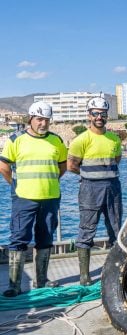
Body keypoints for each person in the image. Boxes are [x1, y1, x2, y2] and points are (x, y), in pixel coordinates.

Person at [0, 102, 66, 296]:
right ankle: (14, 284)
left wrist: (48, 181)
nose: (43, 123)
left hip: (50, 197)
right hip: (23, 198)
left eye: (46, 119)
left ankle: (42, 281)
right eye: (39, 119)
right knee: (19, 238)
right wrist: (16, 185)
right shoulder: (15, 139)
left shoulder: (57, 141)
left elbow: (62, 167)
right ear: (31, 119)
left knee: (45, 238)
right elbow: (4, 167)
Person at [67, 96, 122, 286]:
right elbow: (71, 165)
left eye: (103, 114)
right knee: (87, 230)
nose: (99, 117)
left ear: (107, 116)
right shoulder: (80, 140)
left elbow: (117, 159)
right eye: (96, 113)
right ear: (89, 116)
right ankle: (84, 276)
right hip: (90, 188)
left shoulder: (114, 138)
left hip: (113, 187)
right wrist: (91, 175)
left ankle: (116, 271)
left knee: (116, 228)